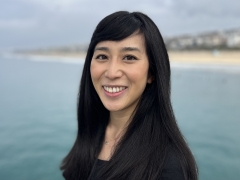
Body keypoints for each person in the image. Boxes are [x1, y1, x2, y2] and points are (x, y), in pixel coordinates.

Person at [61, 11, 198, 180]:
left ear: (151, 73)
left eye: (129, 57)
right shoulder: (93, 131)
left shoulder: (167, 166)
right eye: (102, 56)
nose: (112, 72)